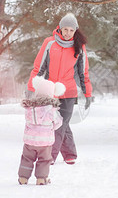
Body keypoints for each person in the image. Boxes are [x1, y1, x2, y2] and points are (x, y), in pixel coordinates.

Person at [26, 12, 92, 165]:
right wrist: (31, 87)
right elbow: (38, 68)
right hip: (50, 92)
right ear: (60, 28)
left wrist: (87, 93)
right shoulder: (49, 43)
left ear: (75, 31)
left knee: (60, 124)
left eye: (71, 30)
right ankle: (70, 154)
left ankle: (49, 157)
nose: (68, 33)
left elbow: (83, 73)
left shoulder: (79, 47)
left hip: (68, 92)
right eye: (66, 29)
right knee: (58, 123)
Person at [18, 77, 65, 185]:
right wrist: (51, 127)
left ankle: (23, 178)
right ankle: (41, 179)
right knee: (44, 159)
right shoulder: (51, 110)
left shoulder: (29, 108)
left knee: (27, 158)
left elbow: (28, 120)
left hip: (29, 140)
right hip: (45, 141)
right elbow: (58, 122)